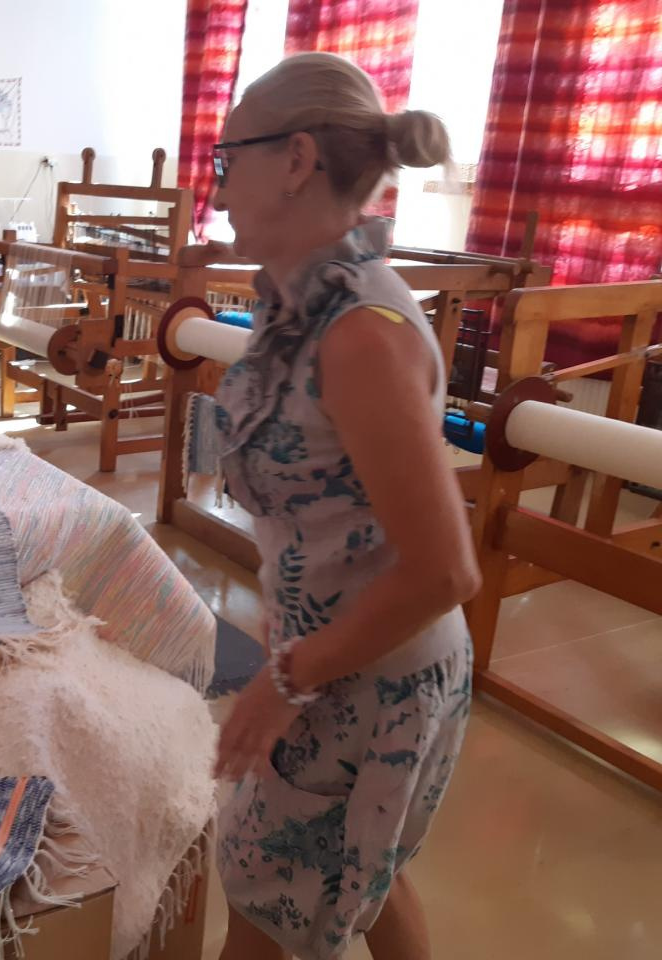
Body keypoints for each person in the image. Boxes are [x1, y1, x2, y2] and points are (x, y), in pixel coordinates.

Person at [183, 53, 480, 960]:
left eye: (228, 160)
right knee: (370, 885)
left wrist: (285, 680)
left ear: (298, 160)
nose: (218, 188)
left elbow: (445, 570)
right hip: (335, 659)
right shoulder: (304, 306)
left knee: (262, 907)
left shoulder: (359, 336)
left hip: (367, 676)